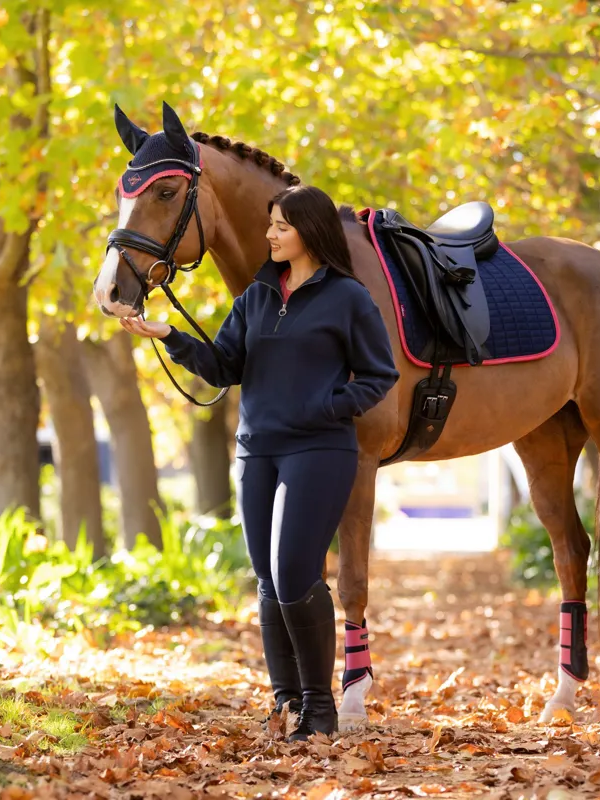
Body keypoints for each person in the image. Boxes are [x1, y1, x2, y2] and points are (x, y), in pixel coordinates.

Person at [120, 185, 400, 740]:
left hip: (318, 448)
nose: (269, 234)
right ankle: (285, 700)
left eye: (281, 226)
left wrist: (327, 406)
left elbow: (379, 375)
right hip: (257, 450)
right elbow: (224, 365)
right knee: (269, 580)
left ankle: (320, 707)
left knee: (295, 572)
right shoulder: (256, 296)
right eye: (270, 224)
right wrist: (169, 335)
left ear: (309, 232)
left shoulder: (348, 297)